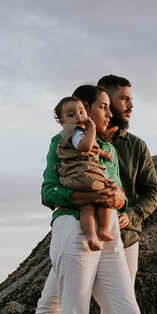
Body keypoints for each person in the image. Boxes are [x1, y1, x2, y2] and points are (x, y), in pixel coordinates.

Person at [2, 86, 157, 314]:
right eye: (103, 106)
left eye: (108, 107)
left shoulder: (114, 147)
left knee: (126, 313)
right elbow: (50, 191)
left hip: (115, 235)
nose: (108, 112)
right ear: (85, 109)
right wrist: (88, 194)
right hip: (72, 229)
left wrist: (119, 200)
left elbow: (123, 192)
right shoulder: (61, 141)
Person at [72, 76, 157, 314]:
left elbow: (151, 192)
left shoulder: (136, 146)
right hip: (85, 237)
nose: (128, 105)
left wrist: (130, 213)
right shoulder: (79, 142)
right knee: (63, 313)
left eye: (127, 100)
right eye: (121, 99)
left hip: (126, 241)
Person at [52, 95, 119, 248]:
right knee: (107, 195)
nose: (78, 117)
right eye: (71, 115)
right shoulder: (76, 132)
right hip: (84, 175)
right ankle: (103, 229)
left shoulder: (69, 136)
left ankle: (91, 236)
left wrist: (103, 154)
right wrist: (92, 128)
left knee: (86, 207)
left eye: (81, 112)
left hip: (74, 178)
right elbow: (85, 147)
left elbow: (90, 149)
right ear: (62, 122)